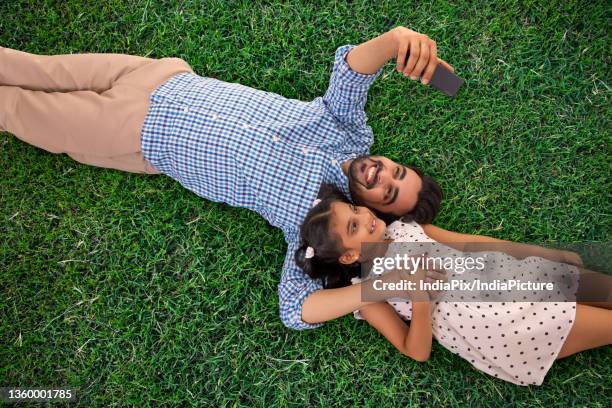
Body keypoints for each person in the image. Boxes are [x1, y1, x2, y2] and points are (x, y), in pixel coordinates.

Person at [0, 26, 453, 330]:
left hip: (138, 132)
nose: (382, 173)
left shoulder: (315, 221)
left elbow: (295, 310)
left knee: (16, 109)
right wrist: (396, 40)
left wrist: (371, 290)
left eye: (388, 192)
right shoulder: (349, 130)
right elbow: (351, 70)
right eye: (397, 169)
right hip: (163, 77)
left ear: (375, 211)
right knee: (31, 67)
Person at [294, 184, 612, 386]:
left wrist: (547, 254)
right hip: (500, 325)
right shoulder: (370, 294)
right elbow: (415, 351)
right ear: (349, 256)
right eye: (353, 226)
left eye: (354, 209)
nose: (365, 216)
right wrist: (421, 301)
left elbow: (474, 244)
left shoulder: (408, 227)